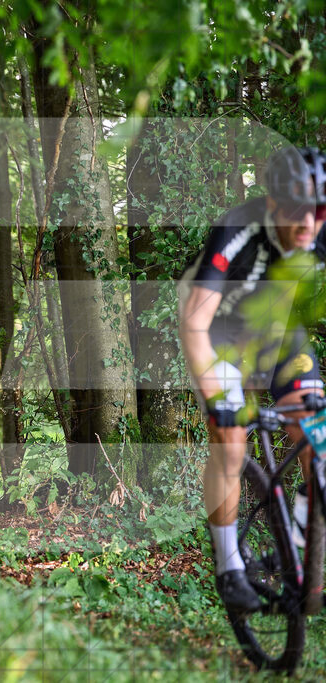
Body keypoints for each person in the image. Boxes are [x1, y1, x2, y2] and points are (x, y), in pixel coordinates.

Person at [178, 146, 326, 613]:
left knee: (318, 438)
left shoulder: (319, 230)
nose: (308, 223)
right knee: (230, 444)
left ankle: (298, 548)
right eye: (297, 211)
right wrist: (218, 401)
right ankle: (229, 567)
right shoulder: (238, 230)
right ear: (273, 204)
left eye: (318, 211)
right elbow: (194, 323)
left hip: (277, 335)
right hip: (218, 334)